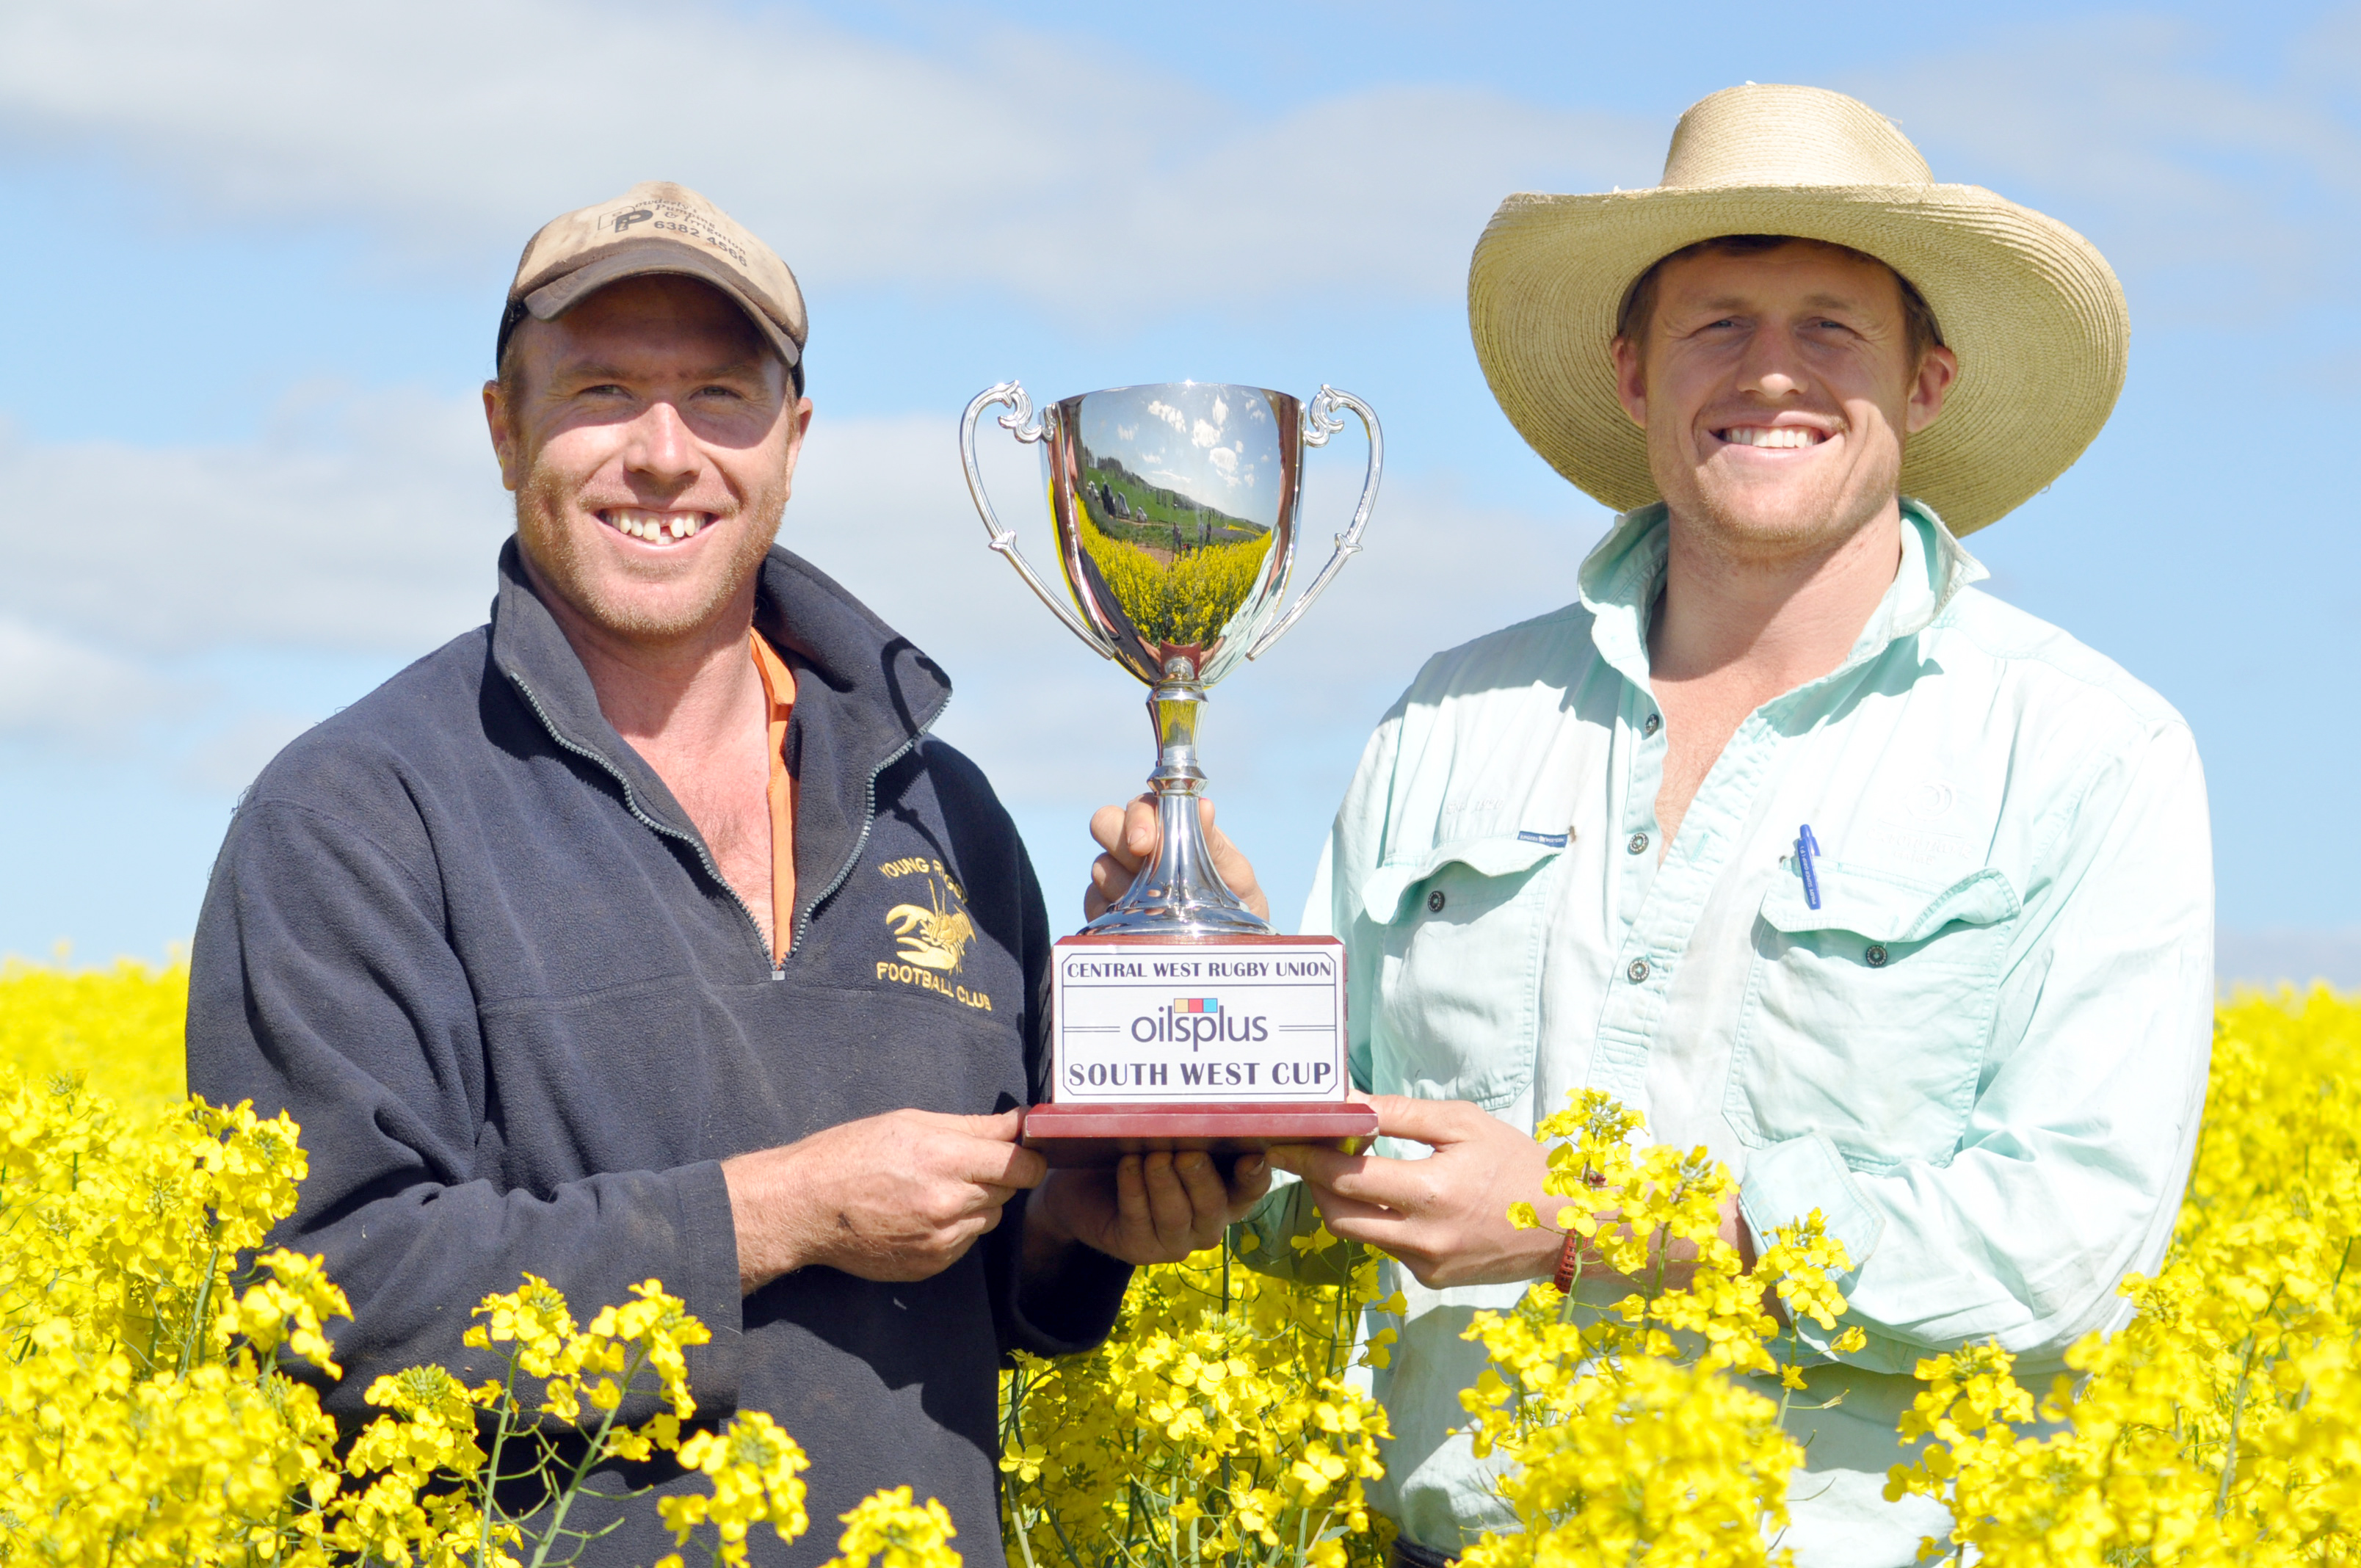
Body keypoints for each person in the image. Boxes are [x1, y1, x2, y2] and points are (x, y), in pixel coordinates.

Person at [1088, 85, 2212, 1567]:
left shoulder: (2084, 751)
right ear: (1631, 374)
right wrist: (1218, 994)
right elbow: (1314, 1193)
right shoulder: (1451, 720)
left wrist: (1597, 1222)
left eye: (1830, 328)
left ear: (1926, 383)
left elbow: (2068, 1238)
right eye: (1717, 324)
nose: (1770, 374)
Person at [188, 181, 1267, 1567]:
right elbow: (322, 1300)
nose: (662, 452)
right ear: (502, 427)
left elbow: (996, 1295)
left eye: (717, 395)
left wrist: (1086, 1227)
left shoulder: (948, 813)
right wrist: (775, 1211)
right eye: (599, 391)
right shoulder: (352, 816)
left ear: (793, 442)